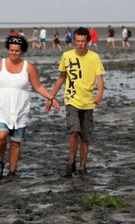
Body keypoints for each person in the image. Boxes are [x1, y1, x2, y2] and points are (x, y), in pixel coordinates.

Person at [0, 36, 60, 179]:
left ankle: (12, 172)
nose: (13, 53)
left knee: (15, 143)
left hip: (20, 109)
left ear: (22, 51)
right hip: (0, 108)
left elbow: (38, 86)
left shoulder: (28, 67)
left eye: (16, 51)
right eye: (11, 50)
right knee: (2, 136)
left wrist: (51, 98)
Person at [48, 27, 105, 177]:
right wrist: (51, 96)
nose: (80, 44)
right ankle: (71, 162)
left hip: (88, 102)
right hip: (71, 99)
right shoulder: (67, 55)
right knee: (74, 131)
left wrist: (99, 95)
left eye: (83, 41)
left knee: (85, 137)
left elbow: (100, 79)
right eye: (77, 41)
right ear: (74, 41)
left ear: (87, 41)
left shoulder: (94, 57)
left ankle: (82, 166)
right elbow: (62, 77)